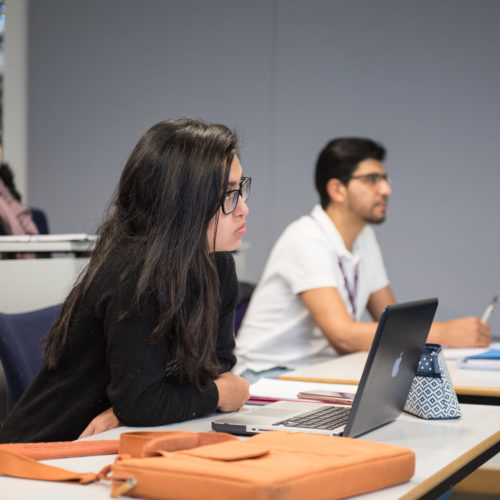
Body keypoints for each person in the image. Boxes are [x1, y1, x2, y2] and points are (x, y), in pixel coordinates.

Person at [0, 118, 251, 443]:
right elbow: (150, 401)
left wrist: (134, 407)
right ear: (182, 201)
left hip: (110, 445)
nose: (243, 208)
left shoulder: (217, 266)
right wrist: (215, 395)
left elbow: (217, 366)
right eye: (228, 194)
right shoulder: (135, 273)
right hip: (41, 454)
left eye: (241, 188)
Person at [234, 137, 490, 382]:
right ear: (337, 189)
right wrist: (443, 333)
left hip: (316, 370)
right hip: (265, 374)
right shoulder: (306, 237)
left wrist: (428, 335)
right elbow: (343, 336)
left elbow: (391, 321)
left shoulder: (363, 237)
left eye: (385, 179)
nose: (386, 189)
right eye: (372, 179)